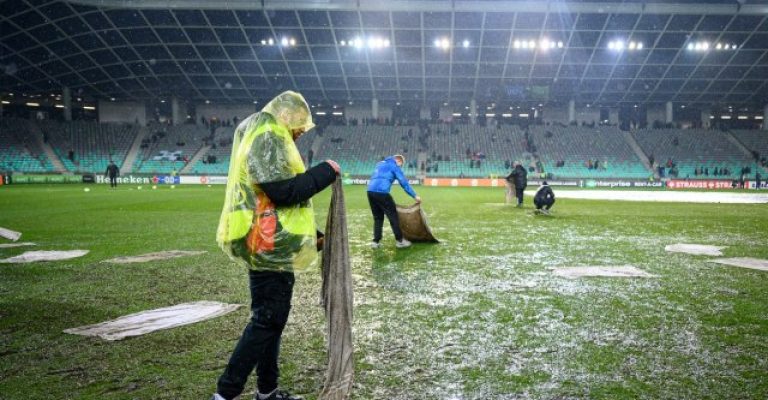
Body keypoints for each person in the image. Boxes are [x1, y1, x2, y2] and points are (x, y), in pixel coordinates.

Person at [213, 91, 340, 400]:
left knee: (270, 320)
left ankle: (267, 391)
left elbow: (274, 200)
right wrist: (326, 171)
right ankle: (224, 394)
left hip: (264, 241)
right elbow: (283, 191)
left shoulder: (259, 130)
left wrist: (313, 236)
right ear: (287, 115)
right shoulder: (268, 133)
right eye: (298, 127)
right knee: (267, 320)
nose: (299, 134)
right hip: (267, 244)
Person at [367, 154, 421, 249]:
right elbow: (403, 182)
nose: (400, 167)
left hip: (370, 191)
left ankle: (375, 242)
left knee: (378, 218)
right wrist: (415, 195)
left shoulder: (380, 164)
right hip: (382, 192)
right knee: (393, 216)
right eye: (401, 165)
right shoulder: (394, 166)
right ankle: (400, 241)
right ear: (399, 161)